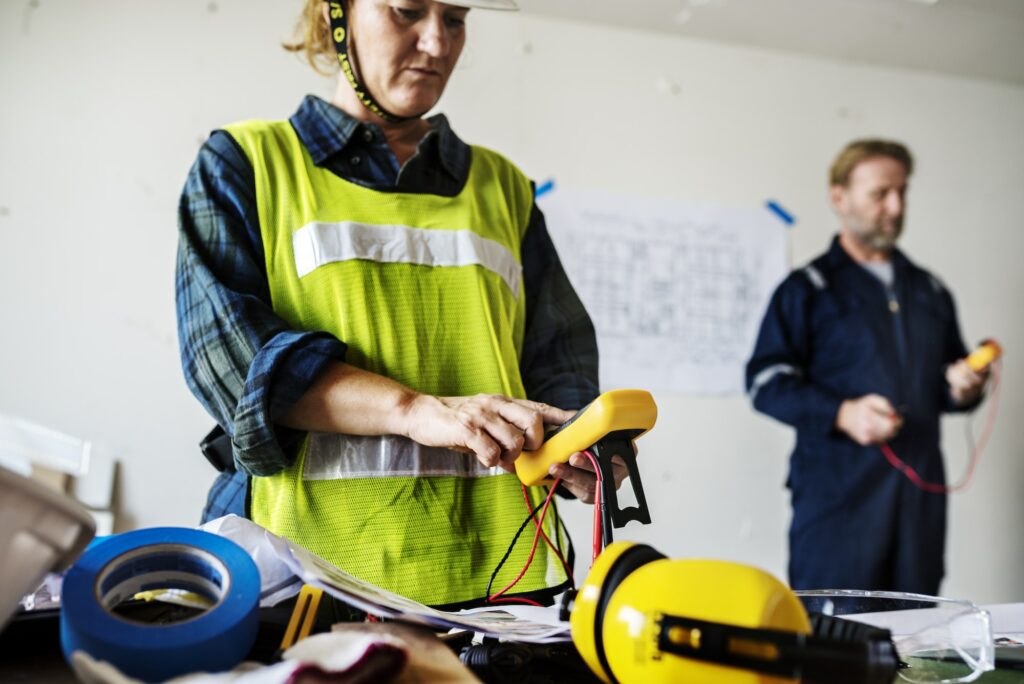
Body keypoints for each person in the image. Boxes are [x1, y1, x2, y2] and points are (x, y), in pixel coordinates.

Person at [176, 0, 624, 608]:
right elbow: (235, 368)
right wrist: (416, 410)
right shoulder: (245, 164)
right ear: (336, 16)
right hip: (305, 578)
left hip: (502, 589)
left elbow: (558, 363)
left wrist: (582, 449)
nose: (438, 43)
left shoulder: (505, 190)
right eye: (408, 10)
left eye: (457, 18)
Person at [745, 139, 989, 595]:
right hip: (837, 508)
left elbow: (946, 387)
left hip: (918, 508)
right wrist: (842, 413)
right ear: (839, 197)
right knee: (834, 646)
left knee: (918, 647)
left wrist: (964, 388)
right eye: (880, 193)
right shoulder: (807, 289)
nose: (895, 207)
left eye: (902, 192)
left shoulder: (931, 291)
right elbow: (763, 383)